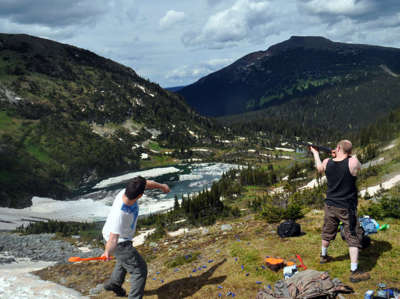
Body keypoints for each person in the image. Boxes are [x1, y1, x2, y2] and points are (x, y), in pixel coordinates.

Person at [310, 140, 370, 283]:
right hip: (347, 206)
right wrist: (346, 154)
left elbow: (319, 168)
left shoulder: (327, 162)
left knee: (328, 230)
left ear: (337, 148)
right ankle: (354, 271)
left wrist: (315, 153)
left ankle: (324, 256)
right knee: (353, 234)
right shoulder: (353, 162)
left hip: (330, 204)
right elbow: (358, 165)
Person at [102, 176, 170, 298]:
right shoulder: (120, 214)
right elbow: (113, 239)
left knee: (125, 261)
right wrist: (107, 252)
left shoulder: (126, 191)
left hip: (119, 238)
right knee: (139, 270)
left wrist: (162, 186)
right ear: (140, 196)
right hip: (119, 243)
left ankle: (114, 284)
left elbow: (145, 183)